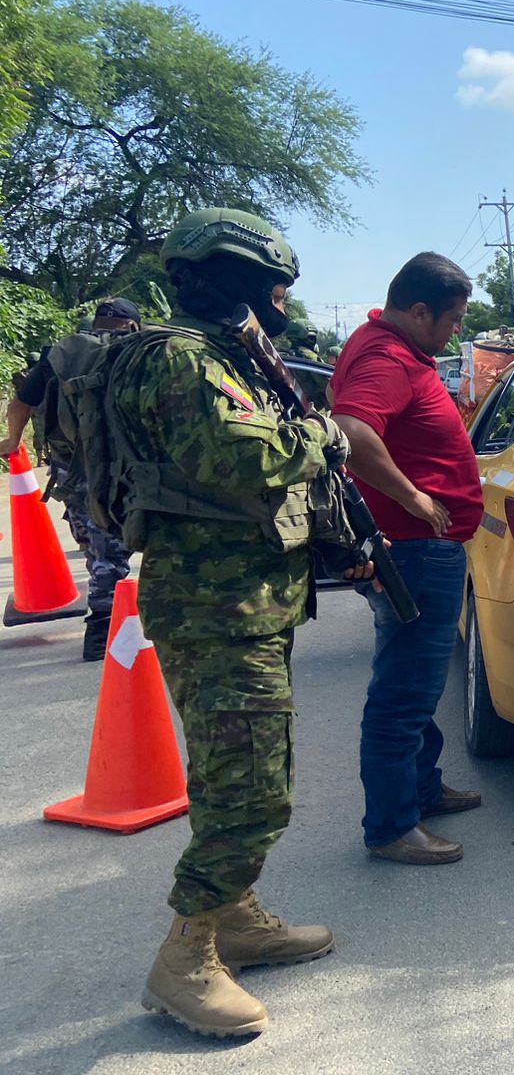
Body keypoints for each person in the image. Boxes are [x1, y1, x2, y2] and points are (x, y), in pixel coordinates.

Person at [117, 207, 363, 1037]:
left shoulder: (226, 357)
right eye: (267, 286)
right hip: (215, 608)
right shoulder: (182, 359)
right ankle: (184, 958)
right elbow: (240, 458)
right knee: (252, 791)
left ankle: (238, 920)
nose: (276, 302)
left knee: (237, 773)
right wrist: (321, 434)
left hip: (248, 602)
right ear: (230, 280)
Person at [331, 253, 485, 865]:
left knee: (416, 682)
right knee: (404, 690)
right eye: (451, 320)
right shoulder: (387, 357)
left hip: (417, 547)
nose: (455, 332)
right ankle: (393, 826)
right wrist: (416, 497)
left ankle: (422, 789)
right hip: (418, 550)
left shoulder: (388, 348)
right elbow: (350, 431)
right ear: (418, 310)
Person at [2, 298, 141, 660]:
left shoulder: (59, 355)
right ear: (131, 324)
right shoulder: (137, 351)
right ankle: (102, 633)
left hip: (72, 471)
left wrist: (13, 441)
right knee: (116, 552)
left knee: (99, 549)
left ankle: (109, 622)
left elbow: (19, 404)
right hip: (124, 469)